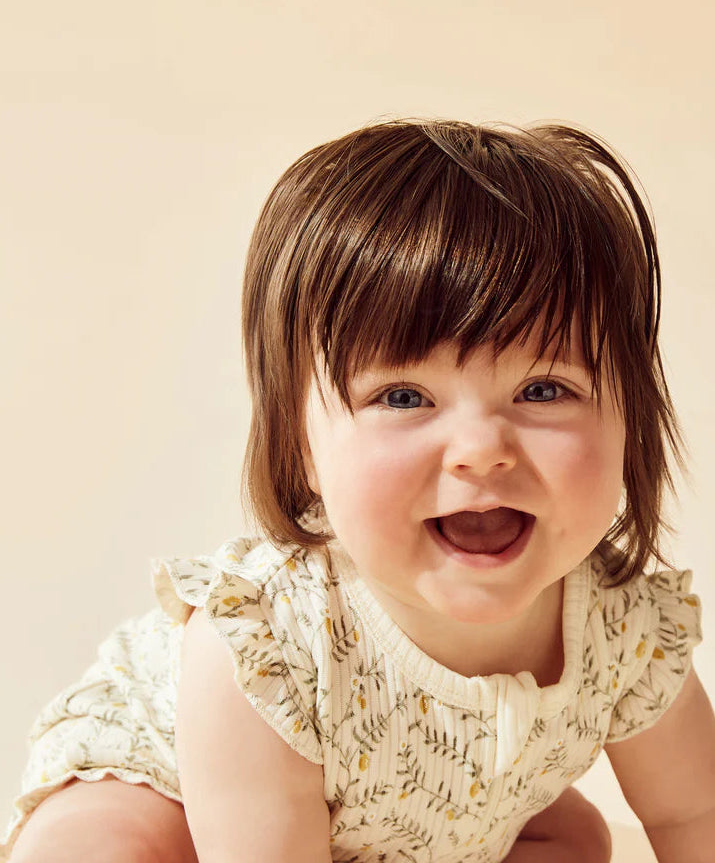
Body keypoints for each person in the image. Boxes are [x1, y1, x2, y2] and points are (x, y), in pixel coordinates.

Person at [2, 118, 713, 863]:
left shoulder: (624, 628)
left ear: (629, 416)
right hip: (184, 800)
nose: (481, 450)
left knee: (575, 839)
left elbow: (693, 811)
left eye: (543, 389)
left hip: (402, 819)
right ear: (299, 444)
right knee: (100, 844)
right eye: (403, 397)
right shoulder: (271, 645)